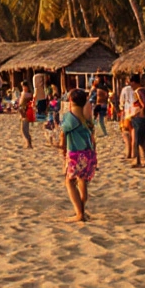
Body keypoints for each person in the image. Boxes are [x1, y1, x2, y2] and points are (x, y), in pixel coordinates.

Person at [60, 89, 97, 223]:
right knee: (82, 180)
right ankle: (82, 210)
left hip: (76, 153)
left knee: (69, 181)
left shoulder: (70, 117)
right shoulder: (86, 116)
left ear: (70, 100)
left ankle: (79, 213)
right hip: (89, 152)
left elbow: (62, 134)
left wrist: (61, 149)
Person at [17, 83, 34, 149]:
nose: (23, 87)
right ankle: (28, 143)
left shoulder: (27, 94)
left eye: (24, 86)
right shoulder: (24, 93)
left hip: (25, 112)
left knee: (24, 129)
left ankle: (28, 143)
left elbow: (25, 104)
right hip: (23, 112)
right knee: (24, 129)